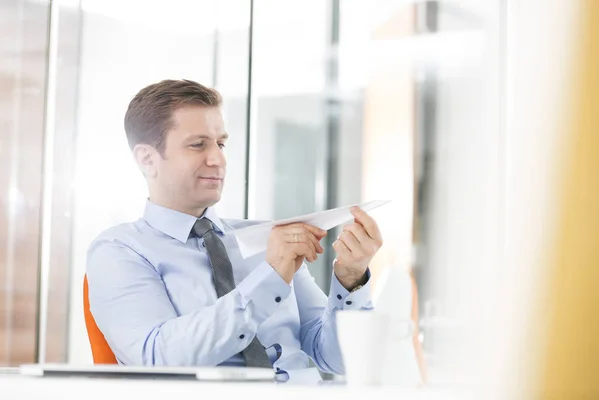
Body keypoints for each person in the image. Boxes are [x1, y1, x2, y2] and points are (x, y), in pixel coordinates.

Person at [86, 79, 383, 380]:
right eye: (198, 144)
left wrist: (350, 280)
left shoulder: (270, 238)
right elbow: (156, 359)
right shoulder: (119, 250)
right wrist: (272, 278)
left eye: (221, 143)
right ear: (147, 159)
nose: (218, 159)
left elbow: (338, 359)